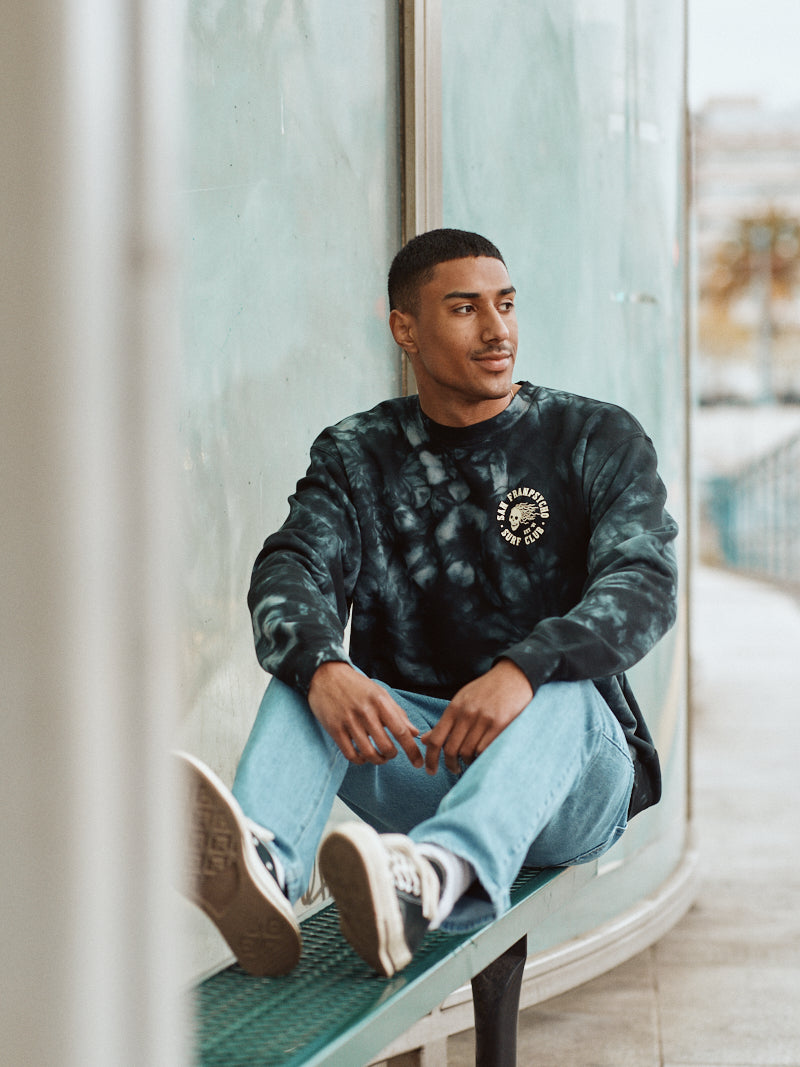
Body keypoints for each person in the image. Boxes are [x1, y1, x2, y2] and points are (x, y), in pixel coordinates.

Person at [180, 228, 678, 979]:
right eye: (465, 308)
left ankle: (440, 877)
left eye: (505, 305)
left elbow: (642, 583)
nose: (497, 328)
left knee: (566, 690)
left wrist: (523, 668)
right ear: (405, 327)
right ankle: (266, 868)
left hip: (570, 779)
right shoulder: (358, 454)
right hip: (429, 755)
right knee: (307, 675)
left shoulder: (592, 436)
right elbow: (290, 569)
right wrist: (324, 668)